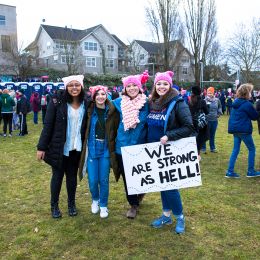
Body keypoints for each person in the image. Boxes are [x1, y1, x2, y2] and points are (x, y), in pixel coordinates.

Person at [147, 71, 195, 234]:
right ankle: (166, 215)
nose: (161, 86)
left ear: (170, 85)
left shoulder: (177, 102)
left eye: (165, 84)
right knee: (162, 184)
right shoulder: (152, 102)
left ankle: (180, 216)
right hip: (154, 151)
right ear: (155, 85)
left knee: (170, 186)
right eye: (159, 83)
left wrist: (169, 136)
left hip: (170, 151)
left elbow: (189, 126)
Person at [36, 75, 89, 218]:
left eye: (77, 85)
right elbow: (48, 125)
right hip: (59, 147)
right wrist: (41, 147)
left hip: (76, 147)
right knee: (57, 177)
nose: (74, 88)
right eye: (71, 85)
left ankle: (71, 204)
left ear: (81, 87)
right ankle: (54, 206)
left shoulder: (87, 103)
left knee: (72, 178)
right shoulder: (57, 102)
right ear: (66, 87)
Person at [78, 85, 119, 218]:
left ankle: (103, 205)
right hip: (92, 148)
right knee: (93, 180)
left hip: (106, 150)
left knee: (104, 180)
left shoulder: (112, 111)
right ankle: (95, 199)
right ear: (94, 97)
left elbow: (117, 128)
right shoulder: (89, 110)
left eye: (103, 94)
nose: (100, 97)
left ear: (106, 95)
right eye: (98, 94)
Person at [112, 72, 149, 219]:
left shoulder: (147, 103)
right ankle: (133, 204)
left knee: (141, 174)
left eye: (135, 85)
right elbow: (100, 105)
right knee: (128, 177)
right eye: (129, 86)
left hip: (140, 145)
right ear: (124, 88)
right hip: (122, 145)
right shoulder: (117, 102)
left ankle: (140, 193)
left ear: (140, 87)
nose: (132, 88)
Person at [225, 83, 260, 178]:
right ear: (247, 93)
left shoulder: (236, 102)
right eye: (250, 92)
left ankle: (230, 171)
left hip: (235, 130)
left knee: (235, 150)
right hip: (244, 130)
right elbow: (254, 116)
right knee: (252, 149)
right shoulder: (247, 104)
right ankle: (251, 171)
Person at [188, 86, 209, 160]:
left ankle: (191, 154)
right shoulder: (202, 101)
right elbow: (207, 112)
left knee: (193, 139)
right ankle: (197, 155)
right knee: (200, 140)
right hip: (201, 124)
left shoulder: (189, 101)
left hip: (192, 123)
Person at [201, 87, 222, 153]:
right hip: (206, 120)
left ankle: (212, 148)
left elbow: (220, 107)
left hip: (214, 120)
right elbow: (201, 109)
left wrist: (219, 113)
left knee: (212, 135)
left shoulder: (217, 100)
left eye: (210, 93)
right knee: (205, 135)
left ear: (213, 93)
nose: (209, 94)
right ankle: (203, 148)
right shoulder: (204, 100)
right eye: (208, 93)